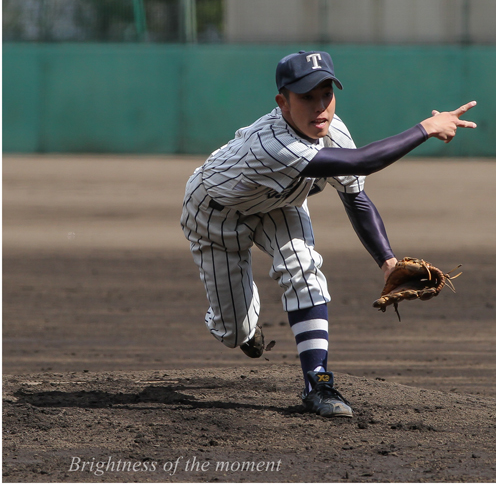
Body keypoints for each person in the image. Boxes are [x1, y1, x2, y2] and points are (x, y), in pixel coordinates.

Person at [180, 50, 476, 418]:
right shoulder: (273, 143)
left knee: (304, 269)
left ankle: (317, 382)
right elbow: (363, 161)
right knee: (232, 332)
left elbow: (356, 196)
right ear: (283, 103)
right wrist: (425, 129)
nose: (320, 107)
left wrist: (388, 262)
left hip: (278, 206)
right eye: (307, 97)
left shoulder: (333, 131)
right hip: (215, 213)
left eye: (327, 94)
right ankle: (242, 327)